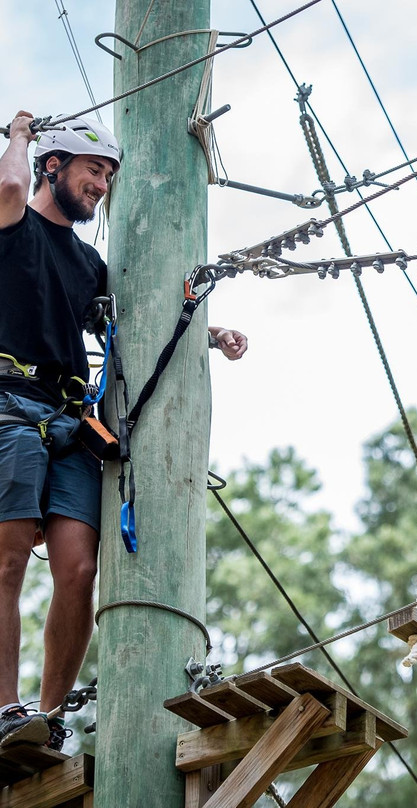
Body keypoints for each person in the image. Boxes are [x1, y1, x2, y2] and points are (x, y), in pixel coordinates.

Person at [0, 111, 246, 751]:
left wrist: (210, 332)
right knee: (7, 555)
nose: (102, 185)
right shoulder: (12, 225)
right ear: (52, 166)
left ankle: (45, 720)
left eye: (108, 175)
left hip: (69, 421)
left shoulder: (87, 263)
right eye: (92, 170)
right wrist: (20, 137)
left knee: (79, 570)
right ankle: (4, 707)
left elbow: (145, 315)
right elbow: (8, 191)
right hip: (9, 405)